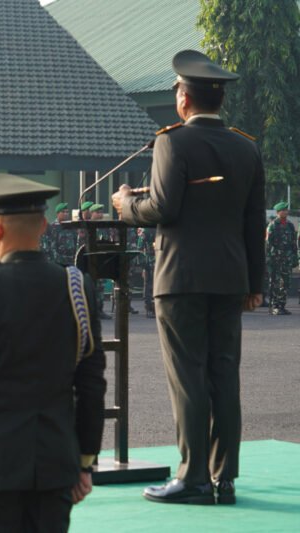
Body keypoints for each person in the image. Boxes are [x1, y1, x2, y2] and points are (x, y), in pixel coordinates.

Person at [112, 50, 265, 505]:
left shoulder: (171, 143)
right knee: (224, 374)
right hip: (230, 278)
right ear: (216, 99)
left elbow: (162, 208)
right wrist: (255, 283)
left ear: (183, 98)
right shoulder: (246, 146)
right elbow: (252, 223)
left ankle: (193, 476)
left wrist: (124, 205)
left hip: (181, 278)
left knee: (189, 378)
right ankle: (224, 478)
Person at [0, 173, 106, 532]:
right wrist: (85, 461)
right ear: (44, 225)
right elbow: (91, 384)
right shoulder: (76, 286)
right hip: (56, 466)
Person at [265, 202, 297, 315]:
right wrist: (269, 259)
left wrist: (295, 257)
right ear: (278, 212)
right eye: (283, 210)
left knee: (286, 283)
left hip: (287, 259)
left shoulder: (290, 225)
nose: (286, 212)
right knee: (275, 283)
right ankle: (275, 306)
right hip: (275, 260)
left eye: (286, 210)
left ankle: (282, 305)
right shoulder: (273, 225)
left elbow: (294, 243)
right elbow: (268, 244)